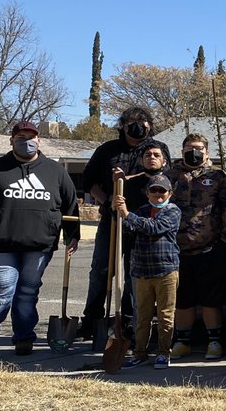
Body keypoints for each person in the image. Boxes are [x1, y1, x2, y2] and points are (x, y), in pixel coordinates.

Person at [0, 121, 79, 361]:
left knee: (28, 293)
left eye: (31, 136)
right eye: (20, 136)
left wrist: (72, 235)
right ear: (11, 140)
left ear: (39, 140)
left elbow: (70, 206)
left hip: (38, 246)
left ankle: (24, 337)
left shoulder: (55, 171)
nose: (26, 141)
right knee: (0, 292)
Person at [79, 106, 171, 340]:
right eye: (132, 123)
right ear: (123, 126)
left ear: (150, 125)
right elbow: (88, 181)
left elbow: (165, 179)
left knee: (134, 274)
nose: (138, 127)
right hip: (112, 220)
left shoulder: (156, 150)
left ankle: (129, 321)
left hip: (142, 221)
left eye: (143, 123)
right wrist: (107, 199)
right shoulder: (107, 150)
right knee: (100, 269)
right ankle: (92, 320)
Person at [164, 133, 226, 361]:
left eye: (198, 148)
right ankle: (182, 342)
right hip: (177, 249)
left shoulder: (217, 176)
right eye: (188, 147)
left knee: (211, 299)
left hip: (211, 247)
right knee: (182, 299)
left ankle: (214, 342)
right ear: (182, 150)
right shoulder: (170, 176)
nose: (193, 152)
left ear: (206, 152)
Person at [114, 174, 181, 369]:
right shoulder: (142, 210)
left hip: (166, 270)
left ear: (169, 193)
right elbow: (128, 229)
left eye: (162, 190)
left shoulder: (173, 211)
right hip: (141, 271)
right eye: (154, 190)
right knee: (141, 316)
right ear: (147, 193)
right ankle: (140, 352)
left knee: (165, 315)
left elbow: (154, 227)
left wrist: (128, 215)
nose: (158, 194)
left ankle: (163, 352)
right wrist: (118, 213)